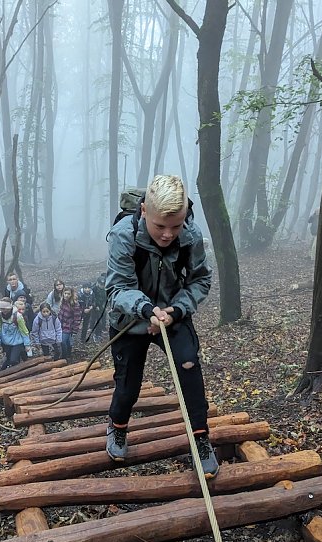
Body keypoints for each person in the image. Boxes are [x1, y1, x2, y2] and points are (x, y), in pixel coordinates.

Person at [104, 175, 218, 477]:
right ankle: (117, 426)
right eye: (159, 226)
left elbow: (200, 279)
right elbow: (117, 288)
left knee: (190, 369)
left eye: (175, 226)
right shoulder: (123, 236)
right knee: (128, 382)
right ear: (143, 211)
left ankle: (200, 439)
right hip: (130, 320)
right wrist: (146, 311)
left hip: (173, 313)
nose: (168, 234)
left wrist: (176, 310)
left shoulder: (190, 235)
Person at [0, 298, 31, 370]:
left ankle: (19, 372)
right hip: (6, 342)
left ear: (10, 307)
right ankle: (7, 372)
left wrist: (27, 344)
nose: (4, 311)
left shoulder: (17, 316)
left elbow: (24, 330)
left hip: (17, 342)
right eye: (2, 309)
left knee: (13, 360)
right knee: (9, 358)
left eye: (5, 309)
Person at [58, 287, 82, 360]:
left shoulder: (74, 304)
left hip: (68, 326)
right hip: (61, 324)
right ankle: (68, 353)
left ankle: (64, 356)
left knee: (63, 341)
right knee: (67, 341)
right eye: (65, 293)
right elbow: (60, 313)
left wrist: (75, 328)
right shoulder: (62, 302)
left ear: (71, 295)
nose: (66, 295)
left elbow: (77, 317)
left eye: (68, 294)